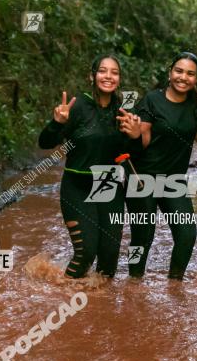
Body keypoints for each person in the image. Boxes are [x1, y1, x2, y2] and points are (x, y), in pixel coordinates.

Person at [38, 54, 142, 279]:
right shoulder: (77, 107)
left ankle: (100, 311)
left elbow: (130, 152)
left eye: (114, 72)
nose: (108, 76)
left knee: (109, 257)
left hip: (108, 184)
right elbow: (44, 143)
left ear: (119, 78)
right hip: (78, 186)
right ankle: (66, 300)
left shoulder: (122, 109)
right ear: (92, 76)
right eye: (103, 71)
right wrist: (56, 123)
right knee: (86, 252)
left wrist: (135, 136)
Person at [126, 52, 197, 280]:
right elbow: (143, 137)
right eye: (179, 71)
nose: (183, 77)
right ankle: (133, 282)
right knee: (142, 237)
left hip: (174, 181)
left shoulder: (196, 104)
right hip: (143, 177)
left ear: (196, 79)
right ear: (170, 73)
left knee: (187, 234)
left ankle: (175, 284)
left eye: (190, 73)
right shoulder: (152, 100)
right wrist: (136, 133)